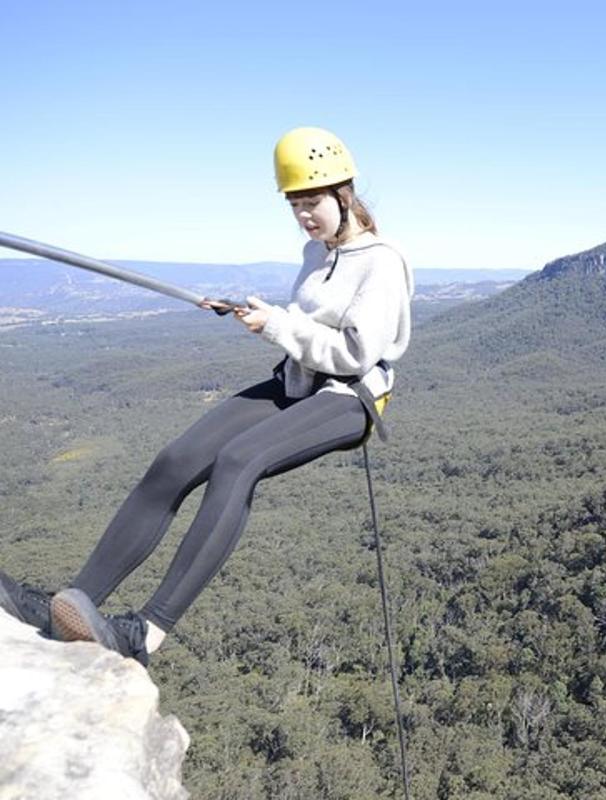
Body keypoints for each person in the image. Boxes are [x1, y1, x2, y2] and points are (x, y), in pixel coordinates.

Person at [0, 127, 413, 666]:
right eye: (295, 205)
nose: (304, 216)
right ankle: (73, 605)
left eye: (312, 203)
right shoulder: (316, 252)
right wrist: (257, 315)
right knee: (177, 459)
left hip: (350, 397)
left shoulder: (382, 261)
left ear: (343, 194)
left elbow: (356, 353)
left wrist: (275, 326)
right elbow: (305, 326)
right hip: (302, 378)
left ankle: (145, 633)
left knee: (238, 460)